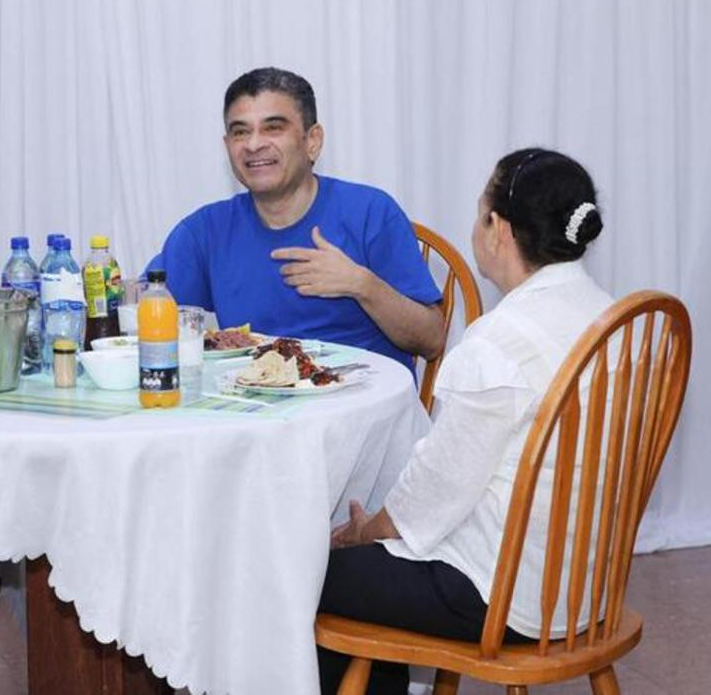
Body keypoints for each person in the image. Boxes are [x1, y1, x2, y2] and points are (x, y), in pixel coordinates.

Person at [318, 148, 610, 693]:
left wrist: (366, 531)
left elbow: (436, 490)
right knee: (366, 566)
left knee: (310, 572)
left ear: (498, 229)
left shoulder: (500, 343)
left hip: (506, 596)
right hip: (586, 587)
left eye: (480, 212)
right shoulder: (612, 317)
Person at [148, 67, 444, 370]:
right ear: (228, 146)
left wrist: (361, 284)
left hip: (360, 407)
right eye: (240, 132)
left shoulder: (370, 212)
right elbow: (141, 309)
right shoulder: (205, 231)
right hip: (257, 407)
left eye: (273, 128)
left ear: (312, 141)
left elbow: (432, 340)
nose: (253, 145)